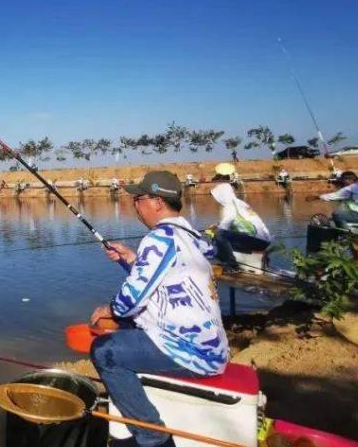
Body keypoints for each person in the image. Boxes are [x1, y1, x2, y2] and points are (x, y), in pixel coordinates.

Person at [90, 171, 228, 447]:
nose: (135, 206)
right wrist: (131, 259)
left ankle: (152, 435)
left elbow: (129, 301)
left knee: (104, 352)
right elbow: (164, 281)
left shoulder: (160, 239)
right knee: (122, 331)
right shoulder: (189, 234)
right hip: (209, 346)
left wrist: (110, 309)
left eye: (138, 199)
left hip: (190, 350)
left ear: (156, 202)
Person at [210, 183, 272, 270]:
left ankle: (232, 265)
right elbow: (238, 222)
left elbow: (223, 228)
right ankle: (252, 259)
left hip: (258, 241)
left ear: (222, 195)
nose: (216, 200)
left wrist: (216, 228)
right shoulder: (239, 203)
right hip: (265, 240)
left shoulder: (229, 206)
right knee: (224, 236)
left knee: (219, 235)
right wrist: (218, 225)